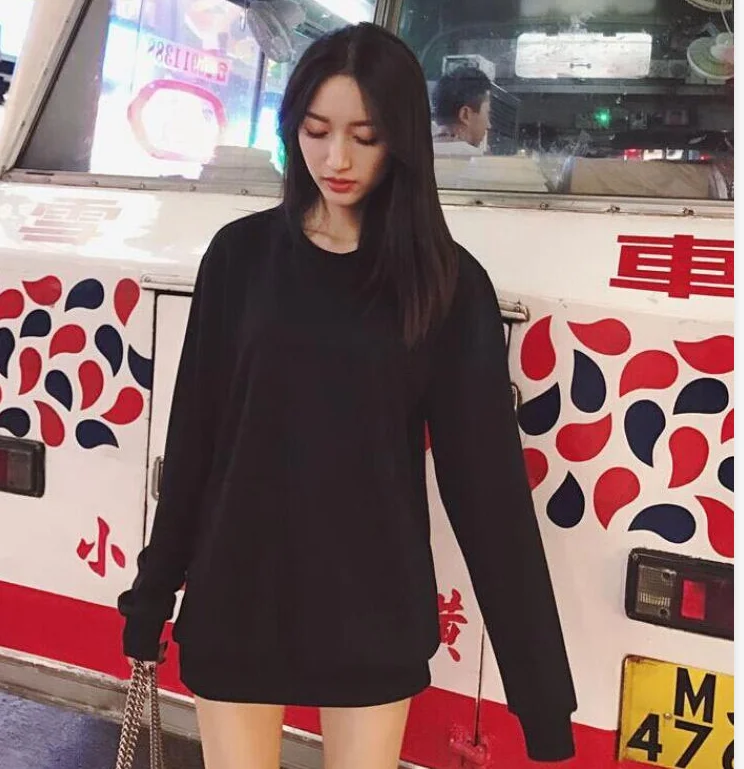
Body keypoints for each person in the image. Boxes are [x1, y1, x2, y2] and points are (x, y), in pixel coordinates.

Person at [118, 22, 576, 769]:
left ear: (404, 140)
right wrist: (152, 595)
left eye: (366, 136)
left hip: (373, 616)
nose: (337, 159)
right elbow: (196, 442)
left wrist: (541, 700)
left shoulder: (446, 284)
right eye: (316, 131)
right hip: (239, 600)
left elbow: (488, 495)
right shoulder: (240, 257)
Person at [432, 64, 492, 155]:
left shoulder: (414, 152)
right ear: (465, 114)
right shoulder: (476, 160)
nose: (488, 125)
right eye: (487, 113)